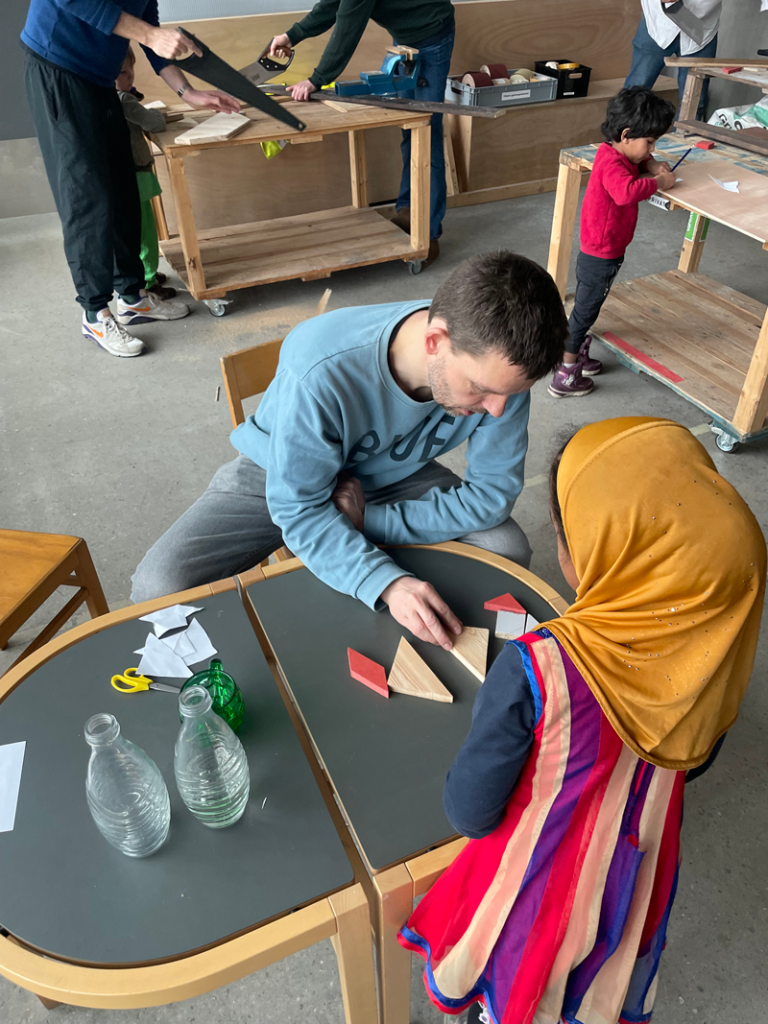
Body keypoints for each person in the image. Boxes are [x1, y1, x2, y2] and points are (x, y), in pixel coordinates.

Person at [399, 416, 766, 1024]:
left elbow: (470, 811)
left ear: (597, 553)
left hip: (534, 898)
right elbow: (692, 763)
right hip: (632, 882)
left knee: (522, 988)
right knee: (594, 982)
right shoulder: (719, 654)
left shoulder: (536, 668)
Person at [132, 252, 568, 649]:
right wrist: (386, 581)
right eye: (480, 389)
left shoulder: (500, 373)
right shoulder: (321, 366)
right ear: (434, 342)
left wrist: (368, 521)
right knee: (160, 585)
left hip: (396, 470)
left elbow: (491, 495)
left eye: (510, 394)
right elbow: (299, 508)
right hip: (283, 468)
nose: (497, 410)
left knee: (505, 547)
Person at [21, 1, 240, 357]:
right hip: (58, 66)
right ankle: (94, 313)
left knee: (124, 187)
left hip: (99, 78)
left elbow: (147, 20)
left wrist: (187, 92)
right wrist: (151, 35)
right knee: (86, 196)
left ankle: (133, 298)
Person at [268, 0, 456, 269]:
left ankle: (428, 233)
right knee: (410, 129)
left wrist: (316, 80)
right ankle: (408, 210)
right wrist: (291, 36)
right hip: (406, 39)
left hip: (432, 34)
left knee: (426, 131)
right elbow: (332, 5)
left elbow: (348, 27)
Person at [549, 87, 676, 399]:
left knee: (589, 306)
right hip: (600, 253)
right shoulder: (611, 163)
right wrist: (658, 181)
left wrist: (651, 164)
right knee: (584, 312)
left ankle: (575, 354)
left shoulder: (617, 152)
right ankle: (565, 374)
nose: (652, 148)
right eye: (649, 142)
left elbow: (636, 163)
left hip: (606, 249)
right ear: (627, 134)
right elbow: (625, 192)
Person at [116, 46, 175, 300]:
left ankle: (145, 273)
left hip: (126, 175)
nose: (130, 76)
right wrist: (156, 113)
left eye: (131, 70)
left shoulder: (107, 98)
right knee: (146, 234)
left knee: (138, 230)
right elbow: (154, 123)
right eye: (123, 72)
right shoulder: (124, 99)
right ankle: (148, 282)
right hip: (136, 176)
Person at [624, 0, 721, 119]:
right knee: (632, 97)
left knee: (694, 105)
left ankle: (681, 133)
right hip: (658, 22)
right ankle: (621, 131)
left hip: (702, 26)